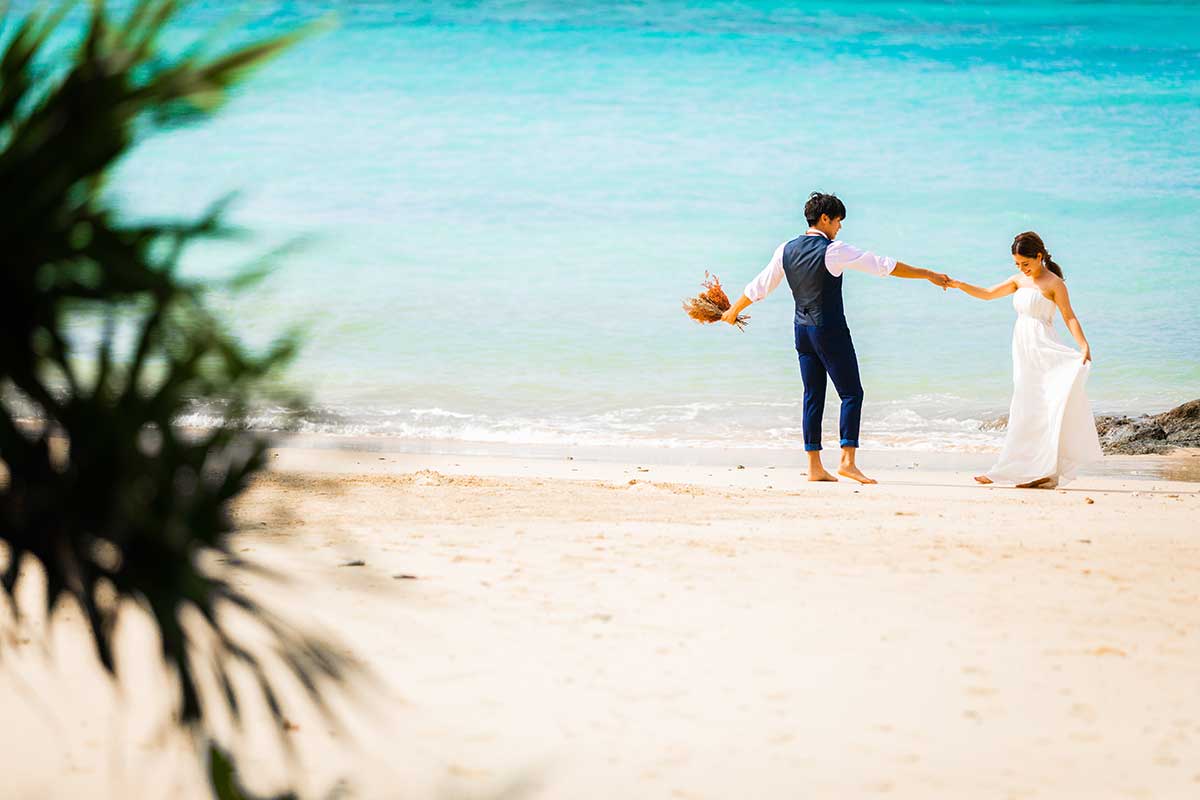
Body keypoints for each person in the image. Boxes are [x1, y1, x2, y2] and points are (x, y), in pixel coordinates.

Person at [721, 192, 951, 484]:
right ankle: (847, 462)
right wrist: (928, 274)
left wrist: (733, 310)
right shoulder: (833, 250)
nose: (840, 227)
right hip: (829, 330)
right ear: (825, 219)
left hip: (802, 331)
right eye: (838, 221)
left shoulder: (785, 250)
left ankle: (815, 467)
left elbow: (760, 286)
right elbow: (884, 265)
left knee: (812, 395)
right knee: (852, 393)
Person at [948, 231, 1103, 488]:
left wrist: (1083, 345)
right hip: (1024, 350)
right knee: (1025, 407)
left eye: (1026, 263)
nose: (1022, 268)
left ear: (1039, 256)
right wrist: (959, 284)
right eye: (1017, 264)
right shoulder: (1019, 281)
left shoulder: (1054, 283)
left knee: (1046, 406)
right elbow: (987, 294)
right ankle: (1016, 469)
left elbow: (1069, 316)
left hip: (1045, 348)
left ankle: (1045, 472)